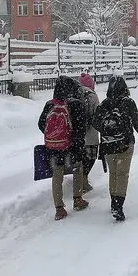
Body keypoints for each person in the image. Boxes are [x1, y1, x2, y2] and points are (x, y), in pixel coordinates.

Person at [93, 76, 138, 221]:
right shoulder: (128, 102)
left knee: (113, 174)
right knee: (122, 174)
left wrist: (107, 130)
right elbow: (136, 120)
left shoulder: (104, 104)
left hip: (108, 144)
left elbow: (95, 123)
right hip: (125, 143)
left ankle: (113, 202)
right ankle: (118, 205)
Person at [38, 75, 90, 221]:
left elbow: (41, 124)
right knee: (77, 169)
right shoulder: (76, 104)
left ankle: (59, 208)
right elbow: (81, 127)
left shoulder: (50, 105)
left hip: (54, 147)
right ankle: (77, 199)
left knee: (57, 174)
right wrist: (73, 139)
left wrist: (55, 136)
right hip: (72, 146)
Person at [78, 72, 100, 193]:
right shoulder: (92, 96)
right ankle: (84, 179)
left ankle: (79, 179)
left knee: (80, 158)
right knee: (91, 157)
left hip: (78, 134)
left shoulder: (74, 94)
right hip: (91, 134)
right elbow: (98, 114)